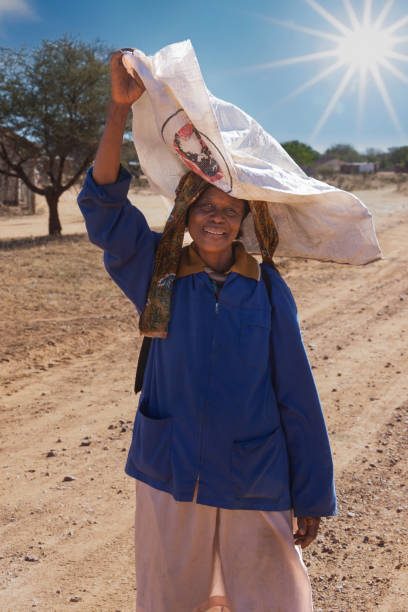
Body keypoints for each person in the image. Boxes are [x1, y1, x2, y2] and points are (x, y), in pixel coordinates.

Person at [78, 50, 337, 612]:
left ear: (247, 221)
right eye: (204, 206)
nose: (216, 217)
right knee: (171, 597)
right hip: (170, 468)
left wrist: (312, 490)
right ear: (185, 213)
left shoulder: (267, 292)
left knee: (274, 600)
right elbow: (103, 208)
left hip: (254, 474)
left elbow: (296, 395)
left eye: (229, 209)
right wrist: (118, 113)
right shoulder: (157, 274)